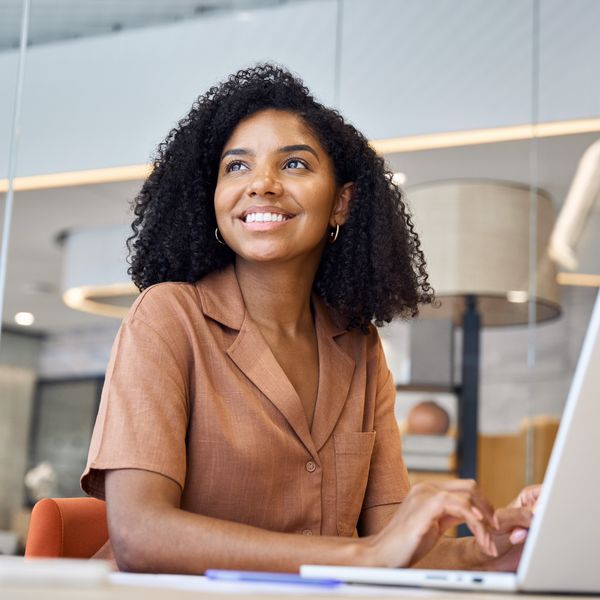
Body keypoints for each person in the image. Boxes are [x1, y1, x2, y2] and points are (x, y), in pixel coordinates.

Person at [81, 64, 537, 574]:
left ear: (341, 202)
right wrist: (360, 554)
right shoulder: (169, 317)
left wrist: (502, 543)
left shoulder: (359, 346)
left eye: (294, 164)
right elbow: (141, 535)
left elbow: (394, 547)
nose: (262, 185)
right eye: (236, 167)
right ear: (210, 200)